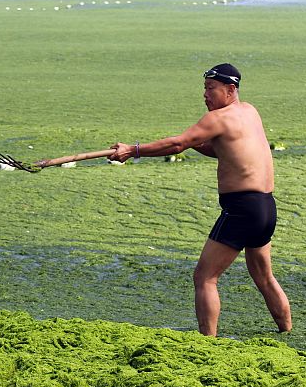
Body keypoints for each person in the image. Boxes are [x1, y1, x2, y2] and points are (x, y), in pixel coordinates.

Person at [108, 63, 292, 337]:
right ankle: (286, 330)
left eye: (211, 89)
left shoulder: (218, 119)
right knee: (264, 276)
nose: (205, 95)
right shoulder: (249, 112)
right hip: (265, 207)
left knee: (204, 277)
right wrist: (194, 141)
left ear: (230, 90)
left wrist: (132, 150)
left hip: (242, 209)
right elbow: (226, 150)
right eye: (204, 89)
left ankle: (207, 343)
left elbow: (177, 144)